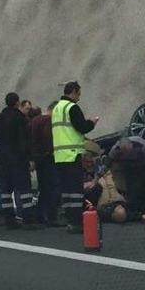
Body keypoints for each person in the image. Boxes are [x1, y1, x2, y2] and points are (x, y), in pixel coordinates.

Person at [52, 81, 99, 234]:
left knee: (66, 191)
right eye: (78, 93)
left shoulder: (57, 108)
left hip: (60, 156)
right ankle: (77, 222)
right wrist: (91, 123)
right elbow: (81, 127)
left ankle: (69, 220)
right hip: (72, 154)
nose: (79, 97)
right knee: (75, 191)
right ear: (72, 92)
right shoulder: (72, 107)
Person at [0, 92, 38, 229]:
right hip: (19, 160)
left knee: (6, 191)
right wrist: (30, 158)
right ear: (17, 103)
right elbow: (27, 141)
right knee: (25, 190)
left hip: (3, 160)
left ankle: (9, 219)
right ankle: (28, 219)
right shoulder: (21, 119)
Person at [107, 135, 145, 212]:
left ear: (132, 145)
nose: (128, 154)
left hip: (142, 165)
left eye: (129, 151)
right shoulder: (115, 150)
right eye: (125, 152)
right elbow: (106, 165)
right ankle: (135, 210)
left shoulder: (141, 144)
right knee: (130, 188)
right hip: (126, 167)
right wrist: (95, 180)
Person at [29, 100, 59, 225]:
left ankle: (40, 214)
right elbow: (49, 139)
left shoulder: (34, 120)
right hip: (48, 157)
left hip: (37, 157)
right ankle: (51, 217)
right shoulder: (48, 121)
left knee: (43, 187)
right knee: (52, 187)